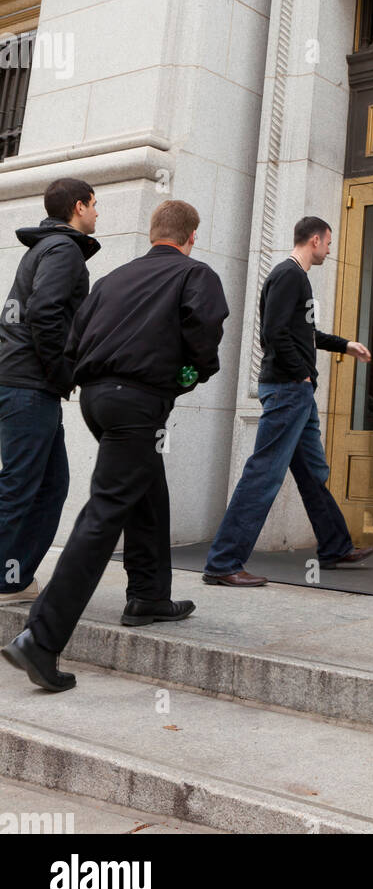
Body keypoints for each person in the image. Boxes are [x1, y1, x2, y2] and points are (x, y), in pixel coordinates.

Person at [1, 201, 228, 692]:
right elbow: (204, 335)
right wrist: (188, 376)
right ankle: (40, 638)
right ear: (191, 236)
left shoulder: (112, 278)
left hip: (97, 401)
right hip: (138, 402)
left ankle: (148, 595)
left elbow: (72, 341)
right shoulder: (195, 274)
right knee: (104, 511)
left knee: (147, 489)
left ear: (153, 235)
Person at [203, 215, 373, 588]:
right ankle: (223, 562)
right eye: (328, 242)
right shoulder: (288, 275)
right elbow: (273, 333)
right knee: (263, 474)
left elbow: (304, 334)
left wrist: (344, 345)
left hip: (297, 392)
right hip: (287, 390)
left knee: (313, 473)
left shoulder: (298, 277)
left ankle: (334, 546)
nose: (330, 249)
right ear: (314, 240)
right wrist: (301, 374)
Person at [0, 178, 100, 605]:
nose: (98, 213)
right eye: (95, 205)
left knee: (50, 484)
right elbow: (43, 312)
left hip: (25, 384)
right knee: (22, 486)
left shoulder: (45, 247)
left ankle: (13, 577)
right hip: (30, 386)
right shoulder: (63, 250)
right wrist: (61, 373)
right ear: (79, 207)